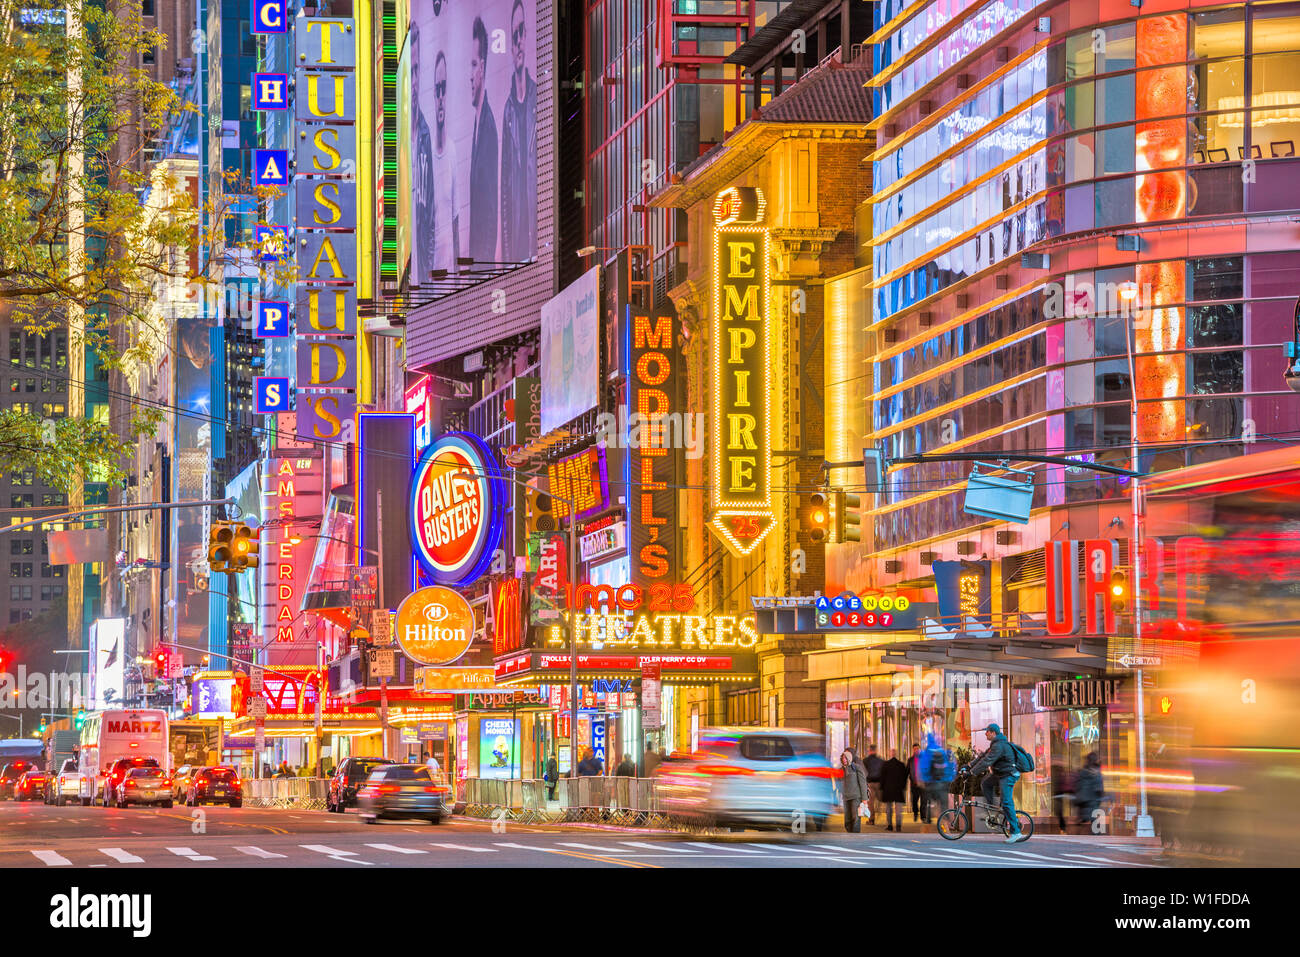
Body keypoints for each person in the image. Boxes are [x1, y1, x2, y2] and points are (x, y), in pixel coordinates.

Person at [499, 0, 537, 262]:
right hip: (518, 250)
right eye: (513, 36)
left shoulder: (540, 98)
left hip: (539, 242)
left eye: (521, 31)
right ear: (511, 47)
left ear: (526, 36)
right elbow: (504, 193)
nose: (518, 41)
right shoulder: (508, 111)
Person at [467, 16, 498, 265]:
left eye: (473, 64)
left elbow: (489, 212)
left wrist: (483, 270)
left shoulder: (488, 129)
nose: (469, 75)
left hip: (483, 267)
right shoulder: (477, 125)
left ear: (483, 68)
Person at [966, 723, 1027, 844]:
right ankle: (994, 808)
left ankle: (1016, 832)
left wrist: (972, 773)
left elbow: (987, 761)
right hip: (1000, 774)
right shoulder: (995, 745)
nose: (985, 733)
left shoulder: (999, 746)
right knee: (985, 783)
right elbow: (982, 757)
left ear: (993, 733)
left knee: (1006, 801)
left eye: (987, 732)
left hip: (1008, 775)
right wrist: (968, 766)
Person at [409, 18, 436, 284]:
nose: (414, 80)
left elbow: (431, 219)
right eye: (411, 71)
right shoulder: (408, 137)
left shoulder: (426, 136)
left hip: (425, 283)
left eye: (417, 71)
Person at [429, 50, 460, 274]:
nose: (441, 97)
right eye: (437, 89)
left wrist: (458, 276)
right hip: (428, 284)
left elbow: (456, 219)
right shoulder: (425, 154)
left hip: (449, 279)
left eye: (444, 88)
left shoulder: (452, 151)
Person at [917, 732, 953, 824]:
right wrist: (949, 778)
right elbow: (949, 765)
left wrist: (922, 779)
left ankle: (928, 820)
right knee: (944, 804)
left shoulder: (927, 751)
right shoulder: (941, 750)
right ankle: (946, 824)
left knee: (929, 802)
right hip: (943, 782)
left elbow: (924, 767)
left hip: (931, 782)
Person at [1072, 751, 1105, 829]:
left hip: (1084, 799)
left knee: (1087, 817)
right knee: (1094, 819)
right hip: (1093, 799)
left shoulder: (1083, 771)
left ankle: (1081, 826)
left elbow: (1078, 785)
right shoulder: (1097, 772)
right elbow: (1099, 787)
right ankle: (1095, 836)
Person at [880, 749, 910, 832]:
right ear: (896, 754)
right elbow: (905, 777)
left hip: (888, 790)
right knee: (898, 809)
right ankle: (898, 826)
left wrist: (882, 788)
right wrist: (903, 787)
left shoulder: (885, 765)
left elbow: (882, 778)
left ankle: (890, 825)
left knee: (889, 809)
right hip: (898, 790)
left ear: (890, 754)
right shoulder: (901, 765)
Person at [839, 750, 868, 833]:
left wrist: (864, 799)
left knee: (855, 818)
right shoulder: (841, 770)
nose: (843, 759)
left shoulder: (856, 767)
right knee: (847, 819)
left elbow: (863, 783)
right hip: (846, 797)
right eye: (842, 758)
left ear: (849, 758)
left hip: (856, 797)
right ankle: (849, 833)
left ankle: (855, 835)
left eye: (845, 758)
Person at [863, 745, 884, 825]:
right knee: (880, 799)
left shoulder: (866, 761)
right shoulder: (881, 761)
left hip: (870, 783)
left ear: (869, 750)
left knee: (870, 803)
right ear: (876, 750)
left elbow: (864, 772)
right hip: (879, 783)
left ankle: (871, 819)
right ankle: (879, 811)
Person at [907, 743, 925, 822]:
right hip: (914, 784)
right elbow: (907, 771)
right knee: (914, 800)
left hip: (923, 783)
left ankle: (923, 816)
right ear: (913, 750)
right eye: (915, 749)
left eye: (917, 749)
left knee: (923, 800)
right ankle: (915, 813)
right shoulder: (910, 760)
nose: (916, 750)